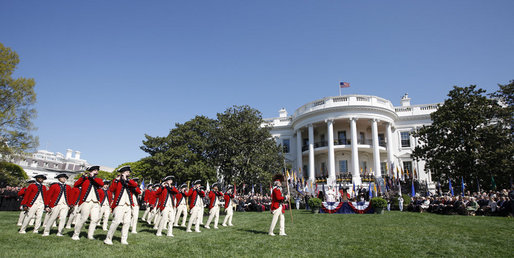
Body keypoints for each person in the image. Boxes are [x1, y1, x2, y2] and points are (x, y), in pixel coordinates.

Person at [104, 166, 138, 245]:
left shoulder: (130, 182)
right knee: (116, 221)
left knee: (127, 223)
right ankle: (108, 238)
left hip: (128, 204)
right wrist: (116, 180)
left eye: (128, 172)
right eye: (126, 172)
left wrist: (127, 180)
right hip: (119, 204)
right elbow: (111, 189)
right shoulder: (117, 181)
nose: (128, 173)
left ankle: (123, 239)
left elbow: (135, 185)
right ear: (122, 173)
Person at [71, 165, 104, 240]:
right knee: (83, 218)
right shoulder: (85, 179)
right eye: (95, 170)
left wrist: (93, 177)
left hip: (95, 202)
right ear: (90, 171)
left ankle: (90, 235)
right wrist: (82, 177)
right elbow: (76, 185)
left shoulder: (98, 179)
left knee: (95, 219)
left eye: (97, 170)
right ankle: (76, 234)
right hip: (86, 201)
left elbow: (101, 184)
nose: (96, 172)